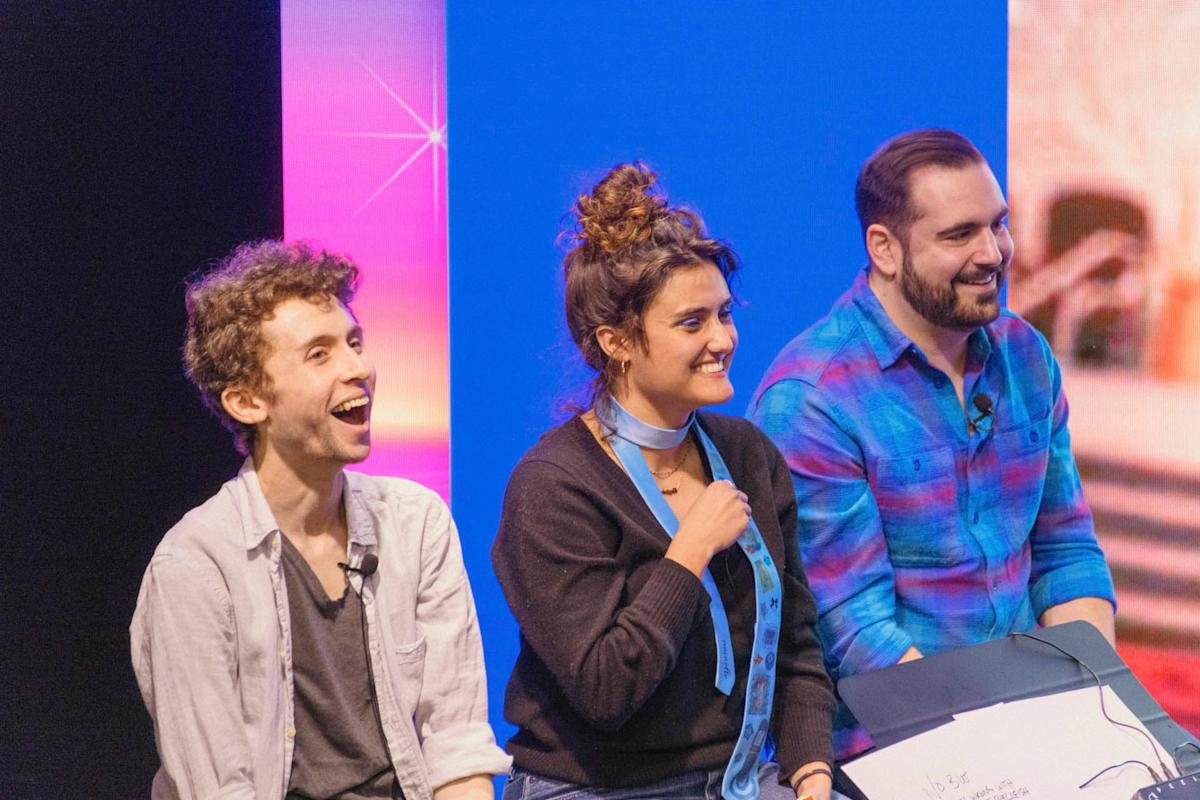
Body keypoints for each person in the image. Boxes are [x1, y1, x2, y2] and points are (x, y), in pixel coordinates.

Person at [748, 129, 1116, 784]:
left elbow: (1065, 549)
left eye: (999, 226)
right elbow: (853, 629)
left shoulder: (1025, 355)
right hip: (887, 749)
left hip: (1028, 727)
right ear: (884, 250)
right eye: (959, 235)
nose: (992, 254)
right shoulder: (813, 401)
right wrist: (1003, 758)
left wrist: (1094, 712)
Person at [492, 164, 836, 800]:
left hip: (736, 782)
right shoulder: (553, 487)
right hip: (596, 788)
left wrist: (811, 774)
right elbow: (604, 691)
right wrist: (690, 551)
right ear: (617, 341)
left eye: (725, 315)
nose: (723, 340)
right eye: (692, 323)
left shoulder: (749, 454)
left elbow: (796, 652)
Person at [130, 241, 510, 800]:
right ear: (247, 402)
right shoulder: (195, 566)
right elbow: (216, 789)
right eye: (320, 354)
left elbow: (454, 740)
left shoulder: (416, 522)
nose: (359, 369)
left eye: (355, 343)